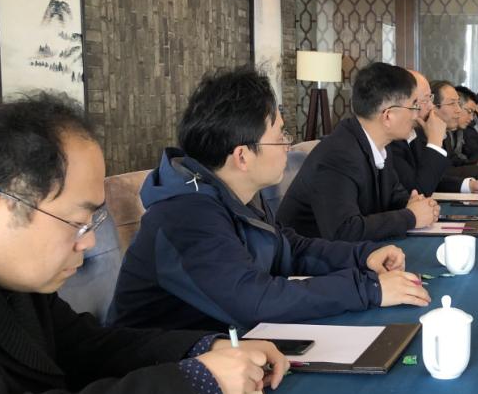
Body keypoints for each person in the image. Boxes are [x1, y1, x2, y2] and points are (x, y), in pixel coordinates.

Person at [0, 93, 289, 394]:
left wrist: (202, 348)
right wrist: (196, 385)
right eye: (75, 221)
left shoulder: (21, 285)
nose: (89, 242)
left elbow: (88, 347)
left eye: (94, 220)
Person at [109, 67, 429, 332]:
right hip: (162, 371)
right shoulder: (186, 215)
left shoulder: (233, 191)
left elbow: (289, 248)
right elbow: (256, 300)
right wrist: (369, 289)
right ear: (243, 156)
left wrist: (363, 257)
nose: (288, 146)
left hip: (228, 347)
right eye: (280, 137)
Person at [278, 63, 439, 241]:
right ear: (388, 116)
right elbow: (344, 230)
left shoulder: (379, 144)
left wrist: (415, 204)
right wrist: (411, 216)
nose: (416, 115)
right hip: (307, 255)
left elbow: (393, 197)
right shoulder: (338, 155)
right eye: (413, 107)